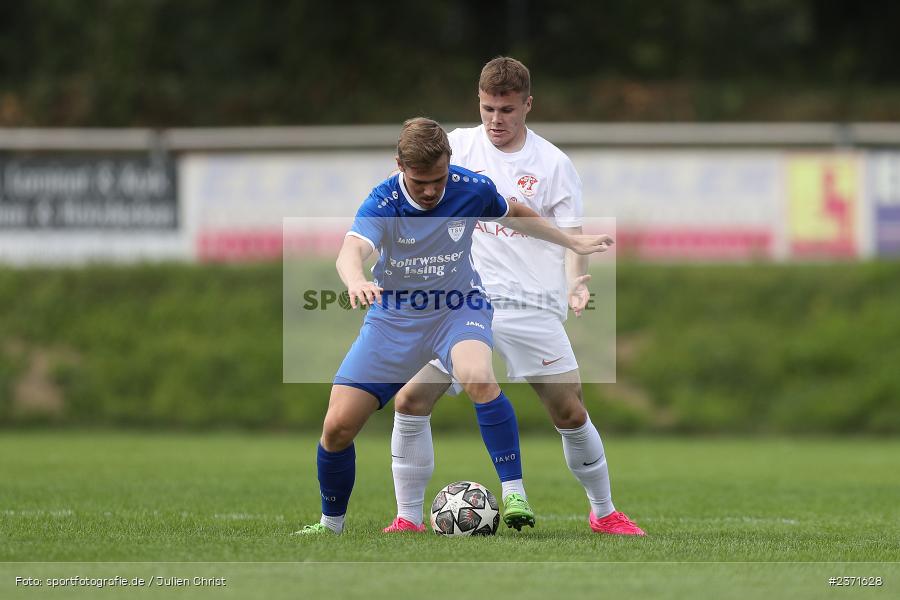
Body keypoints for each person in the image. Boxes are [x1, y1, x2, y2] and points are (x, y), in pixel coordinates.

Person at [296, 117, 613, 535]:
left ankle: (514, 492)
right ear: (400, 166)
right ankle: (330, 524)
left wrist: (570, 241)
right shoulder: (383, 201)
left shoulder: (469, 186)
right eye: (420, 181)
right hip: (395, 318)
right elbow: (351, 249)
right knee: (337, 427)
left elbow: (514, 213)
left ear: (449, 162)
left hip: (458, 308)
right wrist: (356, 280)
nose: (431, 190)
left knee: (478, 376)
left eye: (439, 179)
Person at [384, 58, 645, 536]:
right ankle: (407, 519)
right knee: (410, 400)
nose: (496, 120)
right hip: (458, 302)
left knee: (570, 410)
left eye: (506, 109)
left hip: (529, 304)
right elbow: (408, 184)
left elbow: (571, 236)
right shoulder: (456, 147)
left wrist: (576, 281)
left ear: (528, 105)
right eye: (487, 108)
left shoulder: (552, 165)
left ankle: (604, 513)